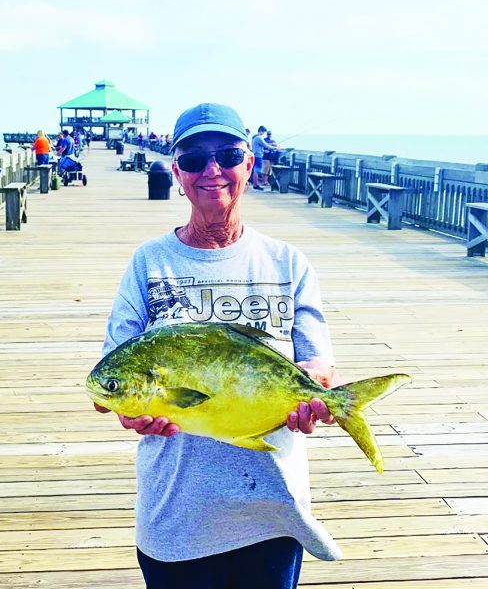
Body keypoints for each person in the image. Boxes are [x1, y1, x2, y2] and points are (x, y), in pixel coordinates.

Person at [95, 103, 342, 588]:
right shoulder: (148, 264)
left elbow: (317, 365)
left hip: (273, 513)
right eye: (193, 159)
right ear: (176, 172)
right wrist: (130, 412)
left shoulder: (289, 263)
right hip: (176, 517)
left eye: (227, 154)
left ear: (250, 164)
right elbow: (116, 371)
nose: (211, 170)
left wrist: (314, 397)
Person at [251, 125, 269, 190]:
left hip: (255, 155)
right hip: (258, 156)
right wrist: (275, 147)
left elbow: (257, 147)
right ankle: (256, 185)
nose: (263, 134)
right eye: (263, 132)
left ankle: (255, 184)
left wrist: (264, 150)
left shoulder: (255, 138)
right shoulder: (259, 138)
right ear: (260, 131)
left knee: (255, 170)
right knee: (257, 171)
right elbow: (265, 145)